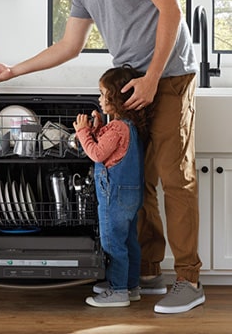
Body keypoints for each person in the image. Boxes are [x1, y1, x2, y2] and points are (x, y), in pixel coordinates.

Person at [0, 0, 205, 314]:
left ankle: (189, 280)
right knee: (136, 182)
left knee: (175, 177)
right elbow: (68, 45)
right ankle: (147, 270)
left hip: (169, 77)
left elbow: (172, 13)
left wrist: (153, 77)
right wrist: (11, 71)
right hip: (127, 88)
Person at [73, 65, 150, 308]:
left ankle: (117, 292)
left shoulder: (117, 127)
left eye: (102, 93)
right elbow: (112, 150)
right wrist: (97, 127)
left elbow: (97, 153)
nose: (99, 98)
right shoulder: (128, 125)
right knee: (128, 241)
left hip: (113, 196)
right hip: (132, 194)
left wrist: (84, 132)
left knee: (112, 243)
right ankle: (130, 286)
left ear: (115, 97)